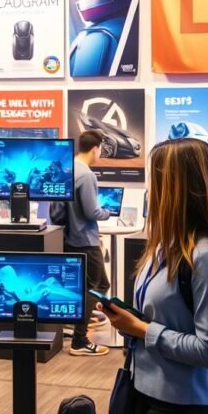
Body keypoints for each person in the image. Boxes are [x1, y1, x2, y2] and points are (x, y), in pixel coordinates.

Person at [102, 138, 208, 414]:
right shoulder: (166, 245)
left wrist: (141, 329)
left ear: (177, 188)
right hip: (148, 387)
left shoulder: (207, 257)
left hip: (185, 402)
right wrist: (128, 320)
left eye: (156, 180)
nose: (150, 191)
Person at [65, 130, 112, 357]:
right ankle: (79, 339)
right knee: (100, 285)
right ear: (95, 148)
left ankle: (79, 322)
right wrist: (108, 212)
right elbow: (92, 212)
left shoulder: (67, 169)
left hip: (67, 239)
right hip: (84, 240)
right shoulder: (86, 175)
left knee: (81, 287)